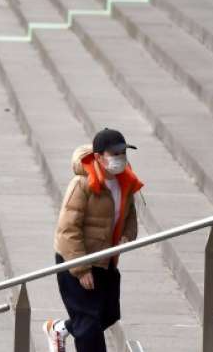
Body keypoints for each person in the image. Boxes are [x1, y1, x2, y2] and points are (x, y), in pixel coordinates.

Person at [42, 129, 144, 352]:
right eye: (114, 153)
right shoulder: (82, 184)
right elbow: (67, 229)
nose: (120, 158)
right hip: (76, 258)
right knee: (88, 327)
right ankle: (68, 328)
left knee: (109, 313)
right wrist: (81, 269)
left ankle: (60, 328)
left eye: (123, 153)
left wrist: (127, 235)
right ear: (98, 157)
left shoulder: (125, 181)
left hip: (105, 259)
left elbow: (130, 214)